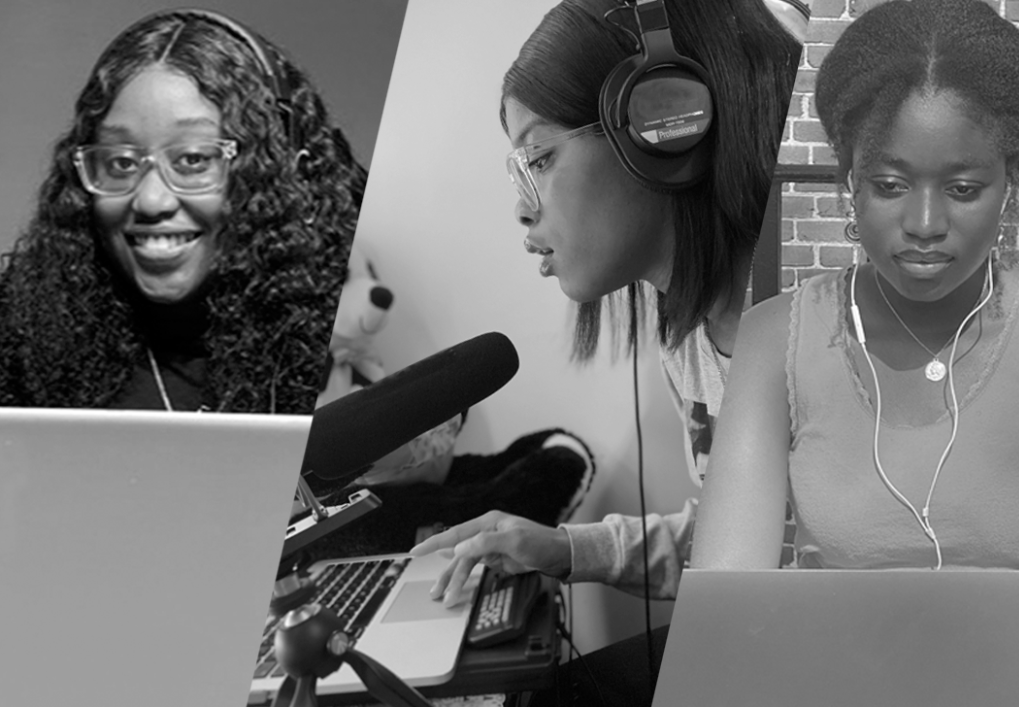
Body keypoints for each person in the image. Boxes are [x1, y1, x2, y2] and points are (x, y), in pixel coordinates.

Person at [688, 0, 1019, 689]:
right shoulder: (776, 340)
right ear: (846, 185)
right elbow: (726, 615)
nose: (924, 223)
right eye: (889, 185)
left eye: (964, 187)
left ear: (1008, 188)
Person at [410, 0, 801, 623]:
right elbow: (746, 547)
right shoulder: (687, 341)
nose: (522, 209)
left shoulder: (842, 316)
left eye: (539, 159)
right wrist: (563, 548)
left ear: (668, 120)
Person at [0, 9, 364, 414]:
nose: (151, 201)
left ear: (287, 172)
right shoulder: (20, 346)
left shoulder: (370, 347)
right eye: (121, 163)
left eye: (193, 159)